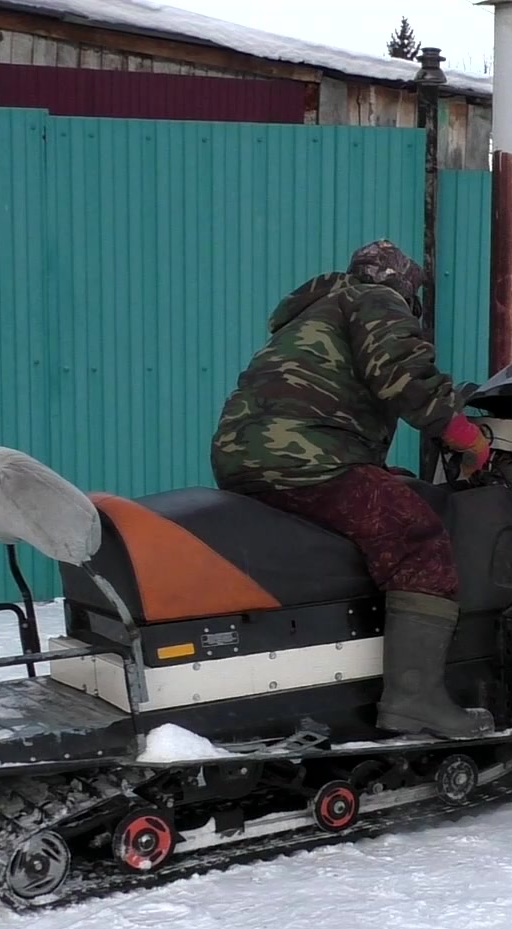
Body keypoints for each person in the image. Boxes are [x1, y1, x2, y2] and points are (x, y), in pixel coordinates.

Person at [210, 239, 494, 739]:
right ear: (404, 285)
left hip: (247, 457)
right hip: (302, 456)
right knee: (417, 538)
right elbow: (402, 375)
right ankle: (415, 700)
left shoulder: (315, 309)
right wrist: (467, 438)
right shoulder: (375, 298)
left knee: (383, 499)